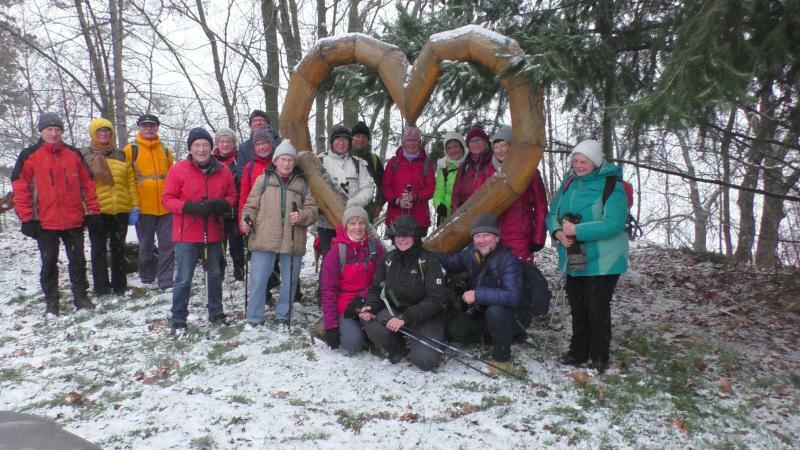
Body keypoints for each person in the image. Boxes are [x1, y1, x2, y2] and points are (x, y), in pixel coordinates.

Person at [546, 139, 629, 374]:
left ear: (595, 162)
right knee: (578, 304)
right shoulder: (569, 182)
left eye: (584, 161)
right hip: (574, 254)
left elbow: (613, 224)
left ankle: (600, 356)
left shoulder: (613, 186)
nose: (579, 165)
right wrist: (558, 232)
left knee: (597, 307)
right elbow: (553, 213)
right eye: (575, 161)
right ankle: (578, 351)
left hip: (604, 258)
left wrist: (577, 231)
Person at [12, 112, 102, 315]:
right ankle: (52, 301)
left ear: (62, 131)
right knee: (49, 260)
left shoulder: (73, 154)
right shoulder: (29, 155)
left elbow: (88, 183)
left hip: (73, 219)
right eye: (49, 130)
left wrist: (93, 211)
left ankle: (81, 296)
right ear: (41, 132)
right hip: (44, 221)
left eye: (57, 129)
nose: (53, 133)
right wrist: (27, 218)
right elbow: (20, 187)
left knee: (78, 260)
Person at [162, 128, 237, 333]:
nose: (202, 149)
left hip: (214, 231)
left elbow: (232, 196)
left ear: (211, 148)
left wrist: (221, 204)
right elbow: (167, 199)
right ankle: (178, 318)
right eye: (197, 145)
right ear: (190, 148)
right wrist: (187, 207)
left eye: (205, 145)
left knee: (214, 274)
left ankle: (216, 312)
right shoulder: (178, 170)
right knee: (184, 277)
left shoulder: (223, 170)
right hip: (186, 233)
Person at [437, 212, 530, 374]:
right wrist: (421, 251)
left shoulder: (508, 260)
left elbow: (512, 296)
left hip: (512, 315)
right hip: (481, 312)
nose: (481, 240)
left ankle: (502, 360)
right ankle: (489, 335)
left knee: (496, 310)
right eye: (477, 236)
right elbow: (448, 262)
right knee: (456, 331)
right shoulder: (471, 254)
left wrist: (477, 294)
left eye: (486, 235)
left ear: (497, 237)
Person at [241, 140, 318, 327]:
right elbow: (251, 205)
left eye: (290, 160)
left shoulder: (303, 184)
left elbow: (313, 210)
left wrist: (301, 215)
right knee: (259, 278)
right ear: (275, 161)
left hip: (293, 237)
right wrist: (246, 220)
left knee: (290, 280)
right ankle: (254, 318)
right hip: (264, 236)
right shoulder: (263, 179)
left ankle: (283, 315)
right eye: (283, 159)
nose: (286, 163)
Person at [359, 215, 448, 371]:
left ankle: (432, 340)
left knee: (424, 361)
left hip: (424, 316)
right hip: (396, 312)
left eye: (407, 235)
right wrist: (371, 306)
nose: (402, 240)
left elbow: (436, 298)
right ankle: (398, 348)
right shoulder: (388, 260)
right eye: (398, 236)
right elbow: (375, 289)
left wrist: (406, 317)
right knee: (371, 323)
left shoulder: (429, 261)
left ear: (415, 237)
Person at [82, 118, 140, 296]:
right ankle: (101, 287)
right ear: (93, 134)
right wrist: (84, 207)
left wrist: (135, 206)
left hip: (120, 209)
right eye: (100, 132)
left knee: (118, 248)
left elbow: (130, 182)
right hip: (96, 210)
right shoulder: (84, 155)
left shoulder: (121, 155)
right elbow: (81, 184)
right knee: (98, 250)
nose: (104, 135)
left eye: (107, 131)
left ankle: (119, 286)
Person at [320, 206, 384, 354]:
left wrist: (364, 299)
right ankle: (351, 331)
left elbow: (382, 279)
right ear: (346, 226)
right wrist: (331, 326)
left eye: (361, 223)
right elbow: (328, 290)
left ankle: (367, 333)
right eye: (352, 223)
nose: (357, 227)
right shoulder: (336, 252)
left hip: (369, 301)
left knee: (381, 333)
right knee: (352, 347)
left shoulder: (374, 248)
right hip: (345, 305)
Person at [123, 113, 175, 290]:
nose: (149, 128)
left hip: (166, 207)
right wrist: (132, 205)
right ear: (139, 127)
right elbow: (126, 179)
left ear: (157, 127)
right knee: (145, 245)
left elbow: (172, 176)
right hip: (143, 207)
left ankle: (166, 280)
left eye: (152, 125)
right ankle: (146, 277)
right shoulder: (131, 150)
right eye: (145, 125)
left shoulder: (166, 149)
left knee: (167, 244)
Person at [489, 125, 548, 262]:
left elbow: (541, 205)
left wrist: (539, 237)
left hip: (520, 234)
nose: (500, 150)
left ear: (512, 146)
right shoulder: (488, 172)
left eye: (504, 145)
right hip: (493, 233)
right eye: (496, 146)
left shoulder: (528, 170)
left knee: (521, 274)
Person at [316, 124, 375, 257]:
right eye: (338, 139)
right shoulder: (320, 161)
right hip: (327, 222)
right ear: (332, 142)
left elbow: (368, 188)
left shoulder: (358, 164)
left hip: (353, 223)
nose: (341, 143)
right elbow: (312, 188)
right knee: (330, 259)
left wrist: (354, 203)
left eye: (345, 140)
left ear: (349, 142)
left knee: (352, 259)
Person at [380, 126, 435, 236]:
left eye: (415, 140)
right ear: (403, 142)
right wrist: (397, 200)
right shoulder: (393, 162)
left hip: (419, 218)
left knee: (418, 251)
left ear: (419, 142)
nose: (411, 143)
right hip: (396, 217)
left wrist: (416, 196)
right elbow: (385, 187)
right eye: (408, 140)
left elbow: (431, 188)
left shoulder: (426, 163)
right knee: (396, 250)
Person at [213, 127, 245, 281]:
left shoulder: (239, 159)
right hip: (216, 210)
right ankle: (219, 269)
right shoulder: (211, 160)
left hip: (235, 209)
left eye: (229, 141)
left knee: (236, 242)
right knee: (219, 243)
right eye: (222, 141)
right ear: (217, 143)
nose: (225, 144)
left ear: (234, 143)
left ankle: (239, 269)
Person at [450, 125, 493, 212]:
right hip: (466, 215)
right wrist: (457, 214)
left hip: (489, 211)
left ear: (485, 141)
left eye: (478, 140)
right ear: (468, 145)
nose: (475, 144)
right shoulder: (464, 166)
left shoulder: (493, 161)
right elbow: (455, 195)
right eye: (472, 141)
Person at [237, 128, 275, 221]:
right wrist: (242, 221)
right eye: (258, 144)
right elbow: (244, 196)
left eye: (264, 143)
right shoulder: (250, 167)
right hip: (257, 217)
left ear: (271, 144)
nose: (261, 147)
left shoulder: (280, 163)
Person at [350, 121, 385, 221]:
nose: (360, 139)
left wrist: (378, 205)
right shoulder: (343, 155)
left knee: (362, 236)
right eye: (357, 136)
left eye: (364, 137)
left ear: (368, 140)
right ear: (352, 137)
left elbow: (383, 184)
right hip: (342, 206)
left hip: (366, 209)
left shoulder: (373, 159)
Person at [432, 131, 466, 226]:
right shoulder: (443, 168)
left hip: (469, 214)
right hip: (448, 217)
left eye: (456, 146)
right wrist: (439, 205)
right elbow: (438, 193)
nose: (453, 150)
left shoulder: (471, 163)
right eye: (449, 148)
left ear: (462, 146)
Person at [235, 109, 281, 180]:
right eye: (255, 120)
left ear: (267, 123)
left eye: (261, 120)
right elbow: (241, 171)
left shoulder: (280, 142)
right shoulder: (244, 147)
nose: (258, 123)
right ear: (250, 125)